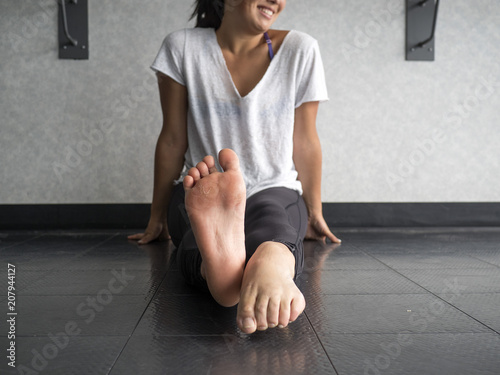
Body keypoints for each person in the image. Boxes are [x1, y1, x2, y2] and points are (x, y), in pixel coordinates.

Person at [129, 0, 341, 334]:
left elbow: (305, 140)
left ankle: (256, 264)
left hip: (275, 184)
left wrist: (314, 211)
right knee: (233, 220)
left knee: (272, 211)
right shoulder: (182, 47)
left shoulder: (300, 49)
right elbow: (172, 138)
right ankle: (258, 257)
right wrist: (157, 217)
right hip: (206, 187)